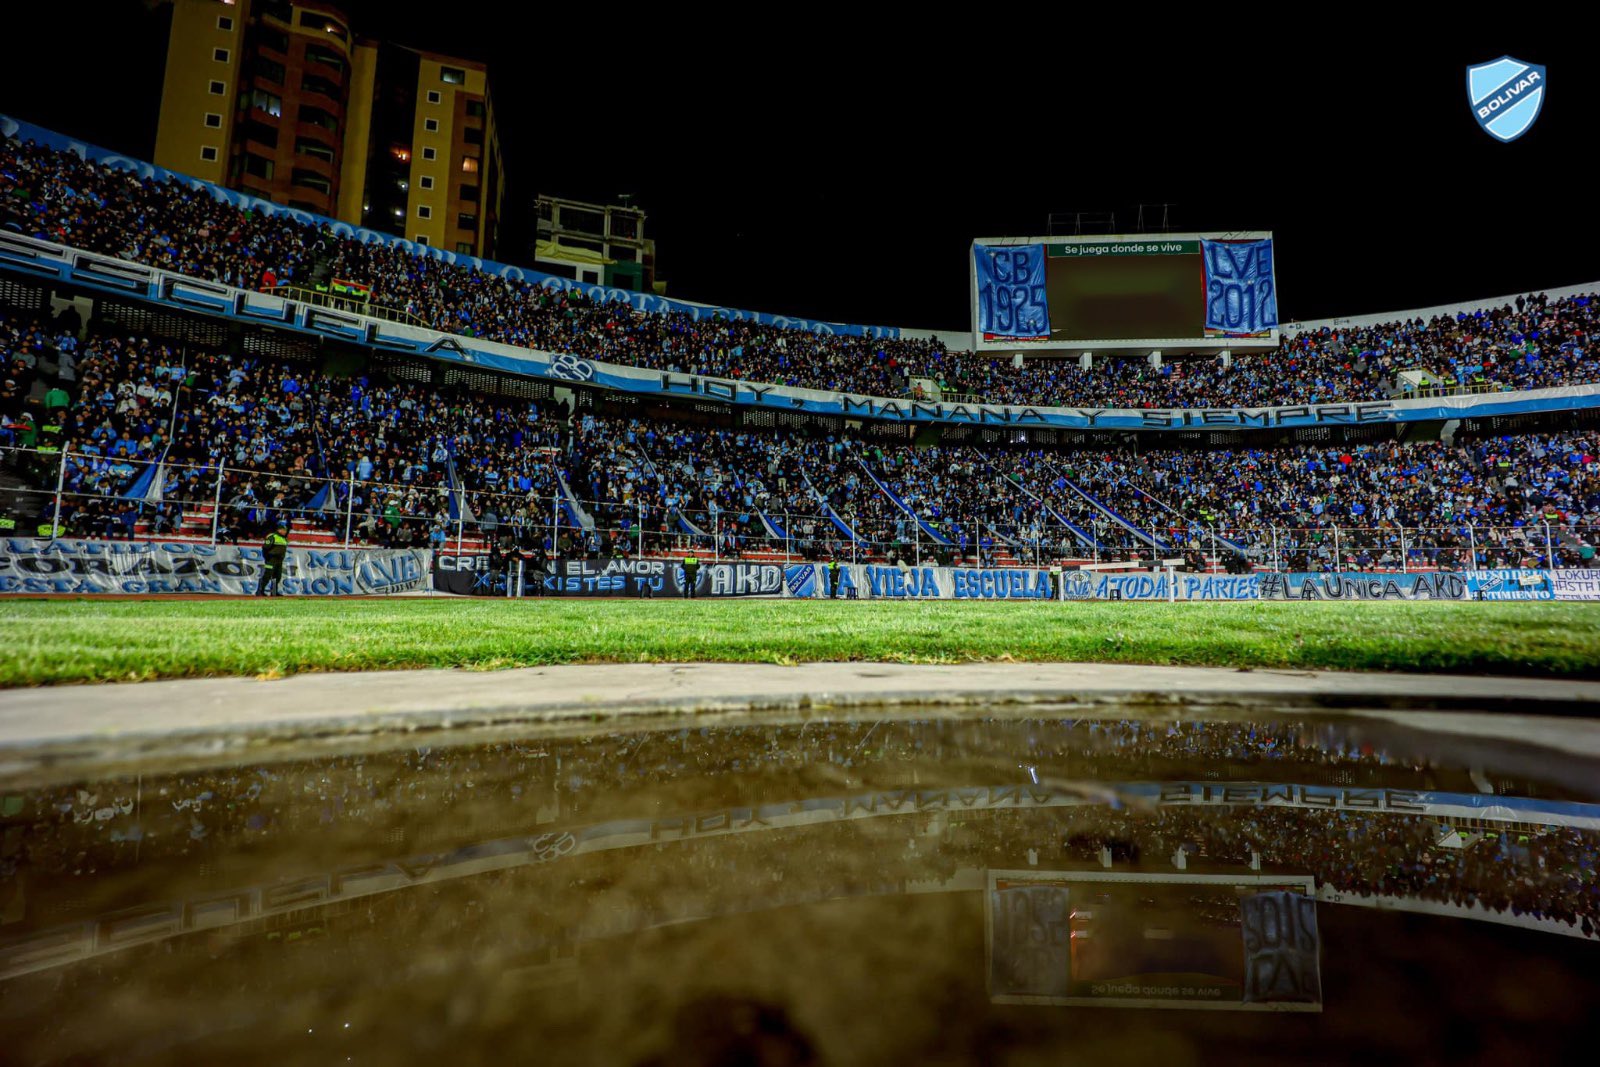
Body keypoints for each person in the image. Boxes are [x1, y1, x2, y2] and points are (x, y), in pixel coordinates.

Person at [257, 522, 289, 597]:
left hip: (279, 560)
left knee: (277, 576)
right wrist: (267, 558)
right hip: (271, 560)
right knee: (267, 575)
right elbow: (265, 547)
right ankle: (260, 591)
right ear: (279, 530)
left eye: (286, 530)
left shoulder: (284, 538)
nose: (285, 532)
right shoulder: (273, 537)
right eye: (284, 530)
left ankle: (274, 592)